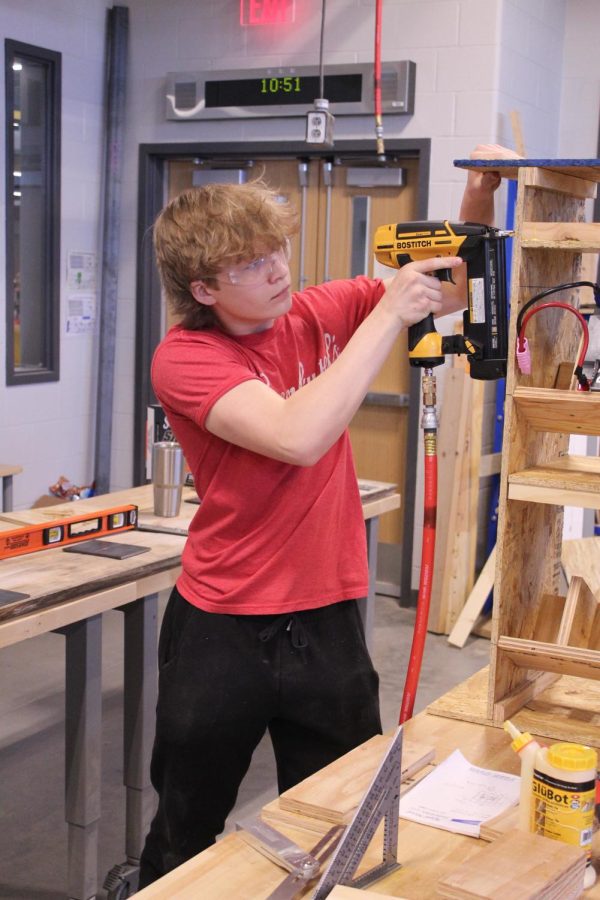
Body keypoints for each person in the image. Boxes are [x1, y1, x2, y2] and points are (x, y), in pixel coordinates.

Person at [138, 143, 514, 887]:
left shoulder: (314, 313)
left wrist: (478, 196)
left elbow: (445, 291)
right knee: (188, 821)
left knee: (345, 816)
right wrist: (387, 314)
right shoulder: (183, 359)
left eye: (277, 250)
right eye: (251, 264)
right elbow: (296, 436)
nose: (279, 269)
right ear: (204, 287)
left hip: (330, 616)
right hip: (223, 621)